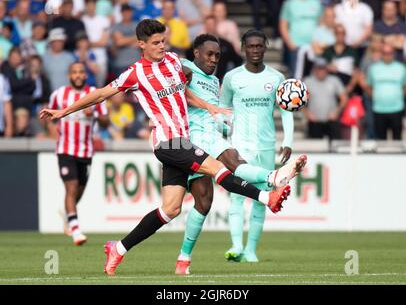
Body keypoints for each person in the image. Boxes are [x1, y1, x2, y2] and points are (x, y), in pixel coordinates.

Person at [40, 19, 307, 274]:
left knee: (170, 209)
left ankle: (118, 248)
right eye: (156, 43)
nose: (162, 46)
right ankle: (266, 196)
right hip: (167, 141)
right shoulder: (135, 73)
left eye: (163, 41)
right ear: (141, 44)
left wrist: (209, 106)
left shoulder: (171, 62)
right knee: (217, 168)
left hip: (183, 141)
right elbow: (100, 94)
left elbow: (183, 92)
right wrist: (63, 111)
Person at [175, 30, 295, 275]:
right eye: (209, 54)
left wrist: (221, 123)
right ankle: (272, 179)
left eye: (217, 55)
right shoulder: (187, 68)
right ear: (196, 53)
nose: (213, 59)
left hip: (218, 138)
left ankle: (184, 258)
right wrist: (180, 69)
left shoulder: (216, 80)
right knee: (181, 207)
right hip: (191, 142)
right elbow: (176, 71)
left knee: (208, 197)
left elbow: (220, 111)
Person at [221, 30, 295, 263]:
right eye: (250, 46)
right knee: (236, 196)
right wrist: (223, 140)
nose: (255, 50)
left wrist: (288, 141)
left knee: (262, 198)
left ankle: (251, 251)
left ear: (266, 47)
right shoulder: (232, 77)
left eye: (259, 46)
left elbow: (286, 112)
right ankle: (236, 246)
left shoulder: (276, 78)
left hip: (265, 146)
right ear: (243, 47)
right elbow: (223, 110)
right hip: (240, 146)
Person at [46, 62, 109, 245]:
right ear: (69, 75)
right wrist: (51, 130)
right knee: (71, 188)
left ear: (85, 74)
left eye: (81, 72)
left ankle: (68, 215)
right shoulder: (59, 94)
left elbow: (106, 121)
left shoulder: (95, 94)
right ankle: (76, 231)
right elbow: (49, 116)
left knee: (78, 191)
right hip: (65, 149)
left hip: (86, 151)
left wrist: (95, 114)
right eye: (75, 72)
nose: (78, 75)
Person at [365, 44, 406, 140]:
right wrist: (375, 97)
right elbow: (369, 86)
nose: (388, 55)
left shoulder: (401, 68)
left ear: (394, 54)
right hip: (378, 109)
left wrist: (398, 96)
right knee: (380, 140)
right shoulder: (373, 69)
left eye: (390, 53)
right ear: (381, 54)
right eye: (385, 53)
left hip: (397, 109)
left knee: (397, 140)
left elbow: (405, 86)